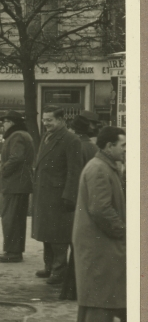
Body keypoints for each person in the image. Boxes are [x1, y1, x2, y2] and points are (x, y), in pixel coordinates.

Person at [72, 126, 126, 322]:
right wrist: (123, 231)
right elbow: (101, 209)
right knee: (101, 289)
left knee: (95, 288)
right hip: (98, 240)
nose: (125, 150)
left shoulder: (103, 166)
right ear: (108, 146)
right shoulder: (99, 169)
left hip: (95, 238)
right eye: (122, 145)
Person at [30, 108, 83, 285]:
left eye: (50, 120)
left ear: (61, 120)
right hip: (45, 195)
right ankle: (50, 266)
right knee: (47, 233)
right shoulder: (47, 137)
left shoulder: (70, 139)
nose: (45, 123)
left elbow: (74, 171)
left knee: (59, 235)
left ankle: (59, 270)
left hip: (58, 197)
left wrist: (69, 196)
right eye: (44, 120)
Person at [59, 111, 100, 300]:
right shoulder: (91, 148)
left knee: (77, 247)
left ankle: (70, 289)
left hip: (78, 201)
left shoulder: (74, 145)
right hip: (89, 200)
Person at [0, 111, 34, 262]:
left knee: (11, 218)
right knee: (16, 218)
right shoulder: (23, 135)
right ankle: (14, 250)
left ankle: (12, 252)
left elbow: (17, 157)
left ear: (11, 123)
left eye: (4, 122)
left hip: (15, 183)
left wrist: (4, 170)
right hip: (20, 183)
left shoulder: (16, 136)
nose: (3, 125)